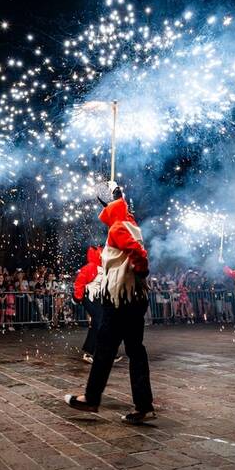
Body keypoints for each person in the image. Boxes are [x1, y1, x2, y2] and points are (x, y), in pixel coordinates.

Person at [64, 181, 155, 424]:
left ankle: (92, 398)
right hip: (133, 297)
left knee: (105, 348)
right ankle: (143, 405)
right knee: (135, 350)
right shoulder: (132, 223)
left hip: (119, 298)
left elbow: (138, 253)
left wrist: (141, 270)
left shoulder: (117, 228)